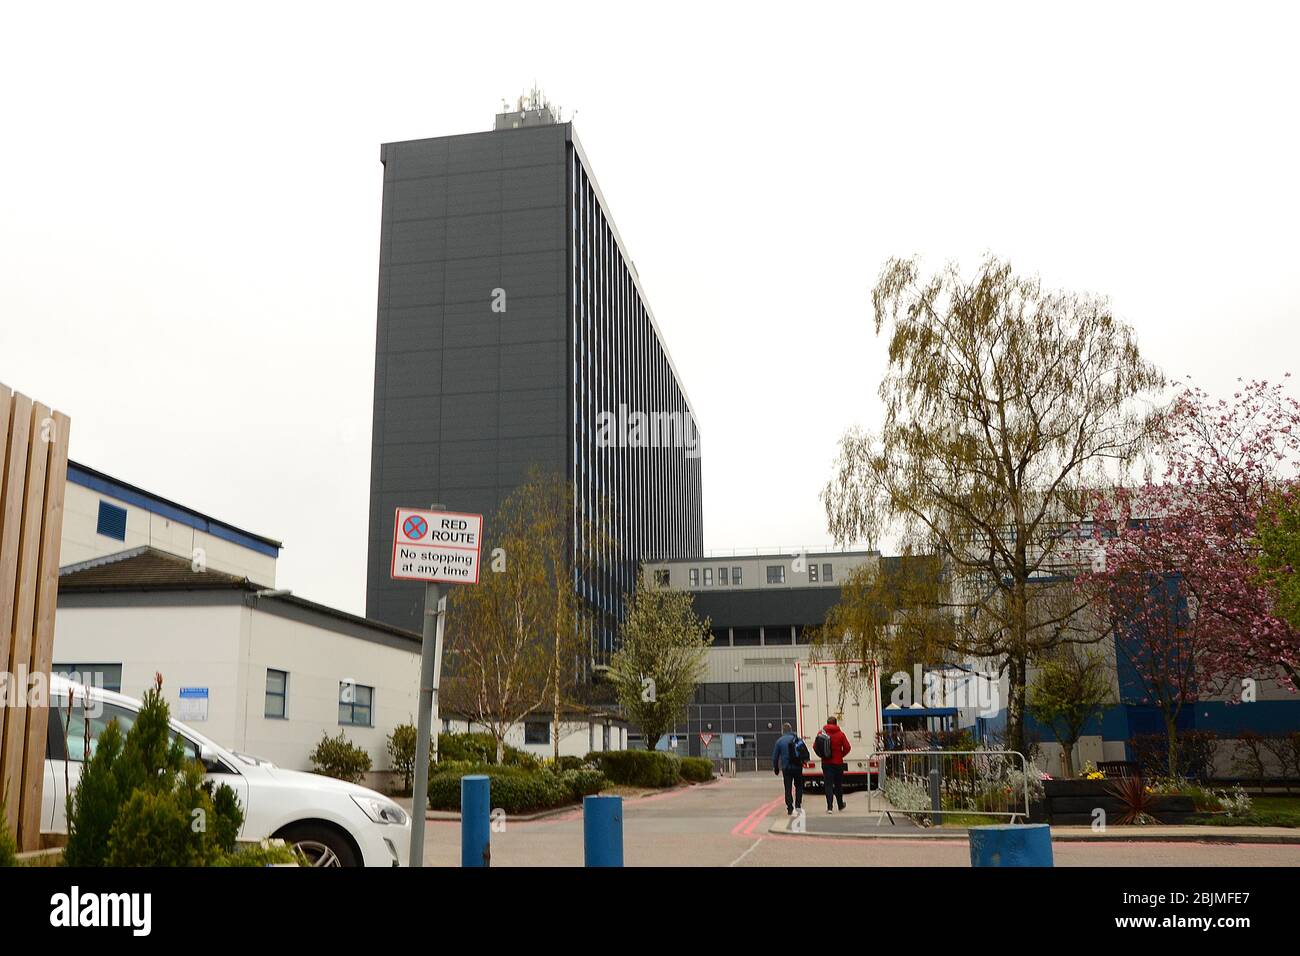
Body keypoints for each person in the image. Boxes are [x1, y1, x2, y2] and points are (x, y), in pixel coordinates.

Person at [771, 722, 808, 815]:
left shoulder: (779, 741)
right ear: (791, 730)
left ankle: (790, 807)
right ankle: (798, 805)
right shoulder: (797, 739)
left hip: (786, 768)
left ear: (783, 731)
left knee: (788, 788)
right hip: (797, 766)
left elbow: (775, 757)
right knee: (799, 786)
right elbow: (805, 753)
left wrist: (776, 768)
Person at [817, 715, 851, 813]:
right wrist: (841, 755)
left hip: (826, 763)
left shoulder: (821, 733)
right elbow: (847, 747)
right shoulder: (841, 734)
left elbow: (815, 746)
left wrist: (822, 755)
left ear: (827, 723)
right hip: (838, 763)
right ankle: (840, 805)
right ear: (836, 723)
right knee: (838, 785)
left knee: (828, 785)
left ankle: (829, 807)